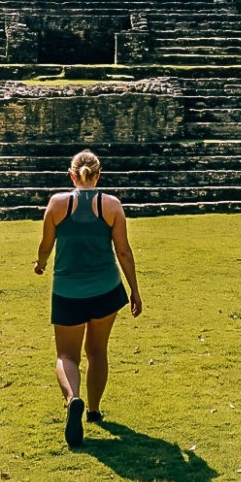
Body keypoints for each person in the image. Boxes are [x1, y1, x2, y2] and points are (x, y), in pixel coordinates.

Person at [33, 149, 142, 448]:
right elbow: (123, 251)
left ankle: (73, 399)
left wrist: (40, 263)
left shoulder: (57, 204)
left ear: (72, 175)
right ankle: (93, 411)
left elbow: (46, 245)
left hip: (68, 290)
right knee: (97, 351)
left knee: (67, 355)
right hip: (106, 289)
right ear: (98, 175)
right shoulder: (111, 205)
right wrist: (134, 290)